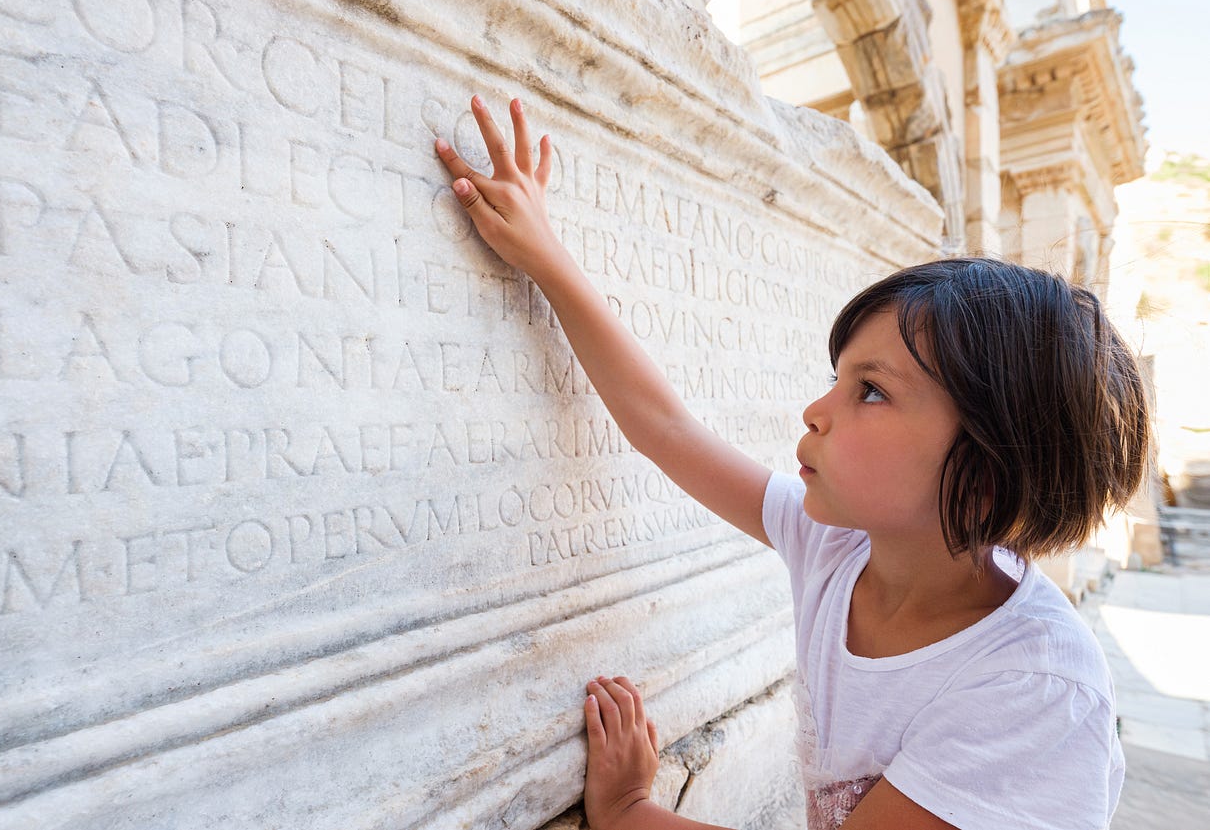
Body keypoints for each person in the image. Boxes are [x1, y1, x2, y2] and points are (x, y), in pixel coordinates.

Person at [433, 95, 1149, 830]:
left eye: (871, 390)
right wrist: (546, 257)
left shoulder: (1034, 686)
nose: (815, 409)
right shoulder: (840, 548)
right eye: (837, 377)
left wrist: (626, 812)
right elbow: (666, 428)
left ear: (987, 475)